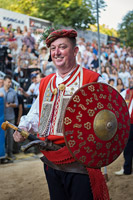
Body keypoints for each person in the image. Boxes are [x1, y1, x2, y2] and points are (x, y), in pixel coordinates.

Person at [13, 29, 109, 200]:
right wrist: (23, 127)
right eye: (53, 48)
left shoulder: (93, 79)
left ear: (75, 51)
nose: (56, 52)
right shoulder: (45, 82)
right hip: (51, 161)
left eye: (62, 47)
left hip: (80, 164)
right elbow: (37, 113)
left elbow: (108, 121)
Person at [115, 77, 133, 175]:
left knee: (128, 146)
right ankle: (127, 169)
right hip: (129, 123)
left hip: (130, 122)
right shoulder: (127, 92)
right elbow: (116, 97)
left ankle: (127, 169)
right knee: (128, 147)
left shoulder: (128, 91)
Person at [0, 75, 18, 161]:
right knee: (2, 136)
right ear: (4, 81)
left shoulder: (13, 92)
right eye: (8, 82)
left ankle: (10, 153)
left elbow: (17, 104)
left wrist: (10, 105)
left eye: (11, 82)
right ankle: (2, 154)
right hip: (2, 119)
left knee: (10, 137)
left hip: (10, 117)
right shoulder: (0, 91)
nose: (10, 83)